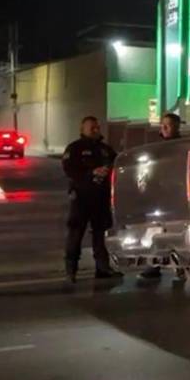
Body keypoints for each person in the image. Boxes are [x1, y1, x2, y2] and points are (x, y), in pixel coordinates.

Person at [63, 116, 122, 283]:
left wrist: (108, 171)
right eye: (92, 128)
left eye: (97, 127)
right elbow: (69, 170)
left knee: (101, 234)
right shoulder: (75, 148)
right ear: (82, 129)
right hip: (81, 197)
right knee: (75, 234)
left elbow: (117, 165)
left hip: (101, 198)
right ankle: (71, 270)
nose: (96, 130)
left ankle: (102, 268)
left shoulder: (105, 149)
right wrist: (91, 173)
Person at [139, 112, 184, 281]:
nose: (164, 128)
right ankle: (153, 264)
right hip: (160, 197)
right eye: (162, 125)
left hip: (176, 196)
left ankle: (180, 268)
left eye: (168, 125)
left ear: (177, 127)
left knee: (176, 230)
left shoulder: (181, 147)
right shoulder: (156, 147)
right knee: (155, 230)